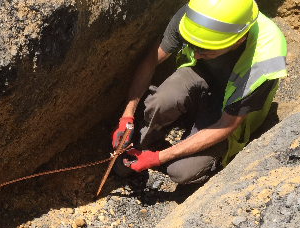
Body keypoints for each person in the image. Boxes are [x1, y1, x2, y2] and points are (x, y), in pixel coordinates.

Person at [112, 0, 287, 184]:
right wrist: (127, 114)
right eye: (193, 46)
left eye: (205, 51)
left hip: (230, 112)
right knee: (161, 101)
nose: (195, 54)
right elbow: (151, 60)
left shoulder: (266, 60)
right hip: (203, 76)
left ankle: (208, 156)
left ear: (238, 40)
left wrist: (159, 158)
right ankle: (145, 146)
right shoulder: (198, 18)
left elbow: (227, 125)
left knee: (180, 172)